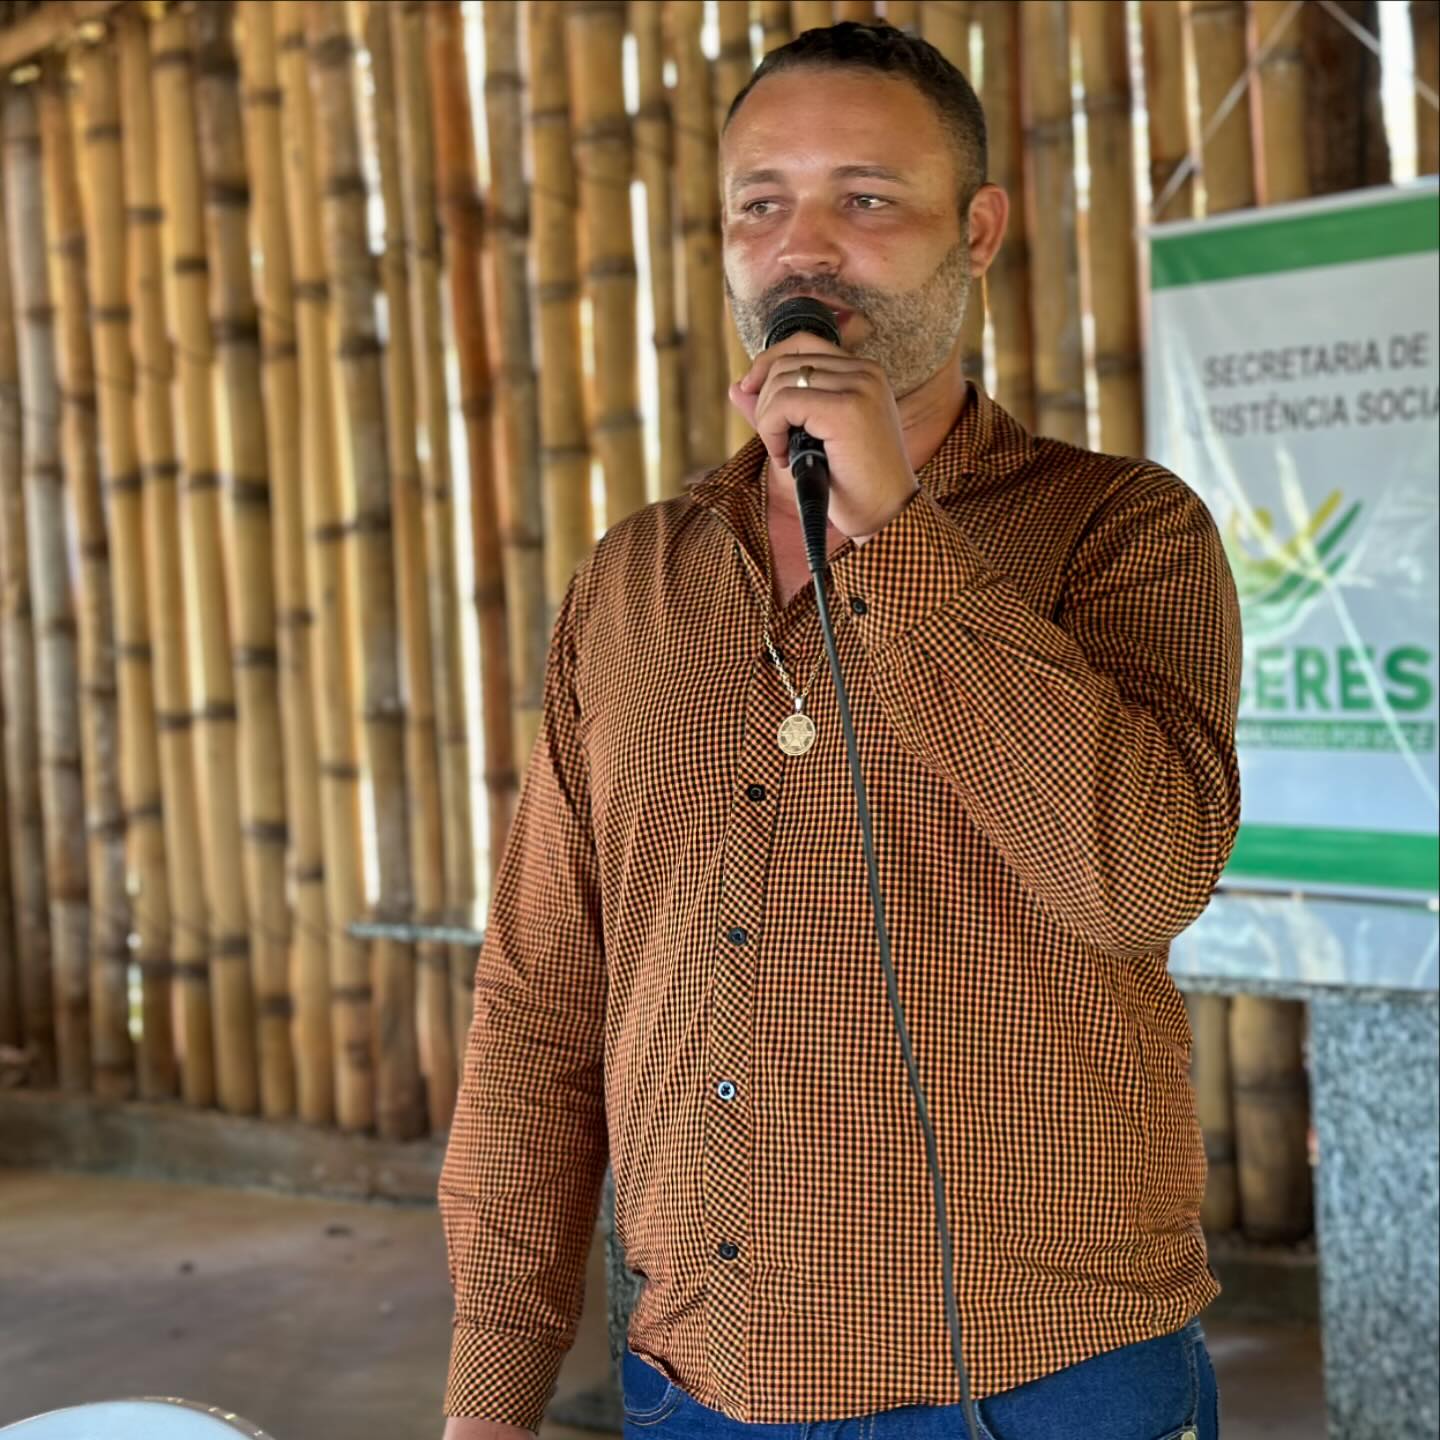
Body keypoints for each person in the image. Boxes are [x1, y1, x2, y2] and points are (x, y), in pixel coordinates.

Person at [440, 21, 1239, 1440]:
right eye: (761, 203)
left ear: (975, 231)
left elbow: (1136, 879)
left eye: (865, 198)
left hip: (1046, 1381)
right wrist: (494, 1388)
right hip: (699, 1385)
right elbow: (542, 999)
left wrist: (894, 530)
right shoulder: (634, 577)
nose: (801, 247)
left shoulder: (1120, 528)